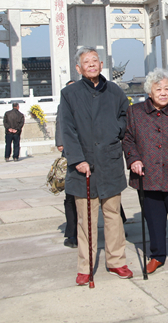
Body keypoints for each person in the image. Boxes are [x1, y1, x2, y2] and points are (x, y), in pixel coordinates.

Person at [60, 47, 132, 286]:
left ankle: (117, 261)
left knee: (113, 216)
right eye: (86, 62)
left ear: (101, 65)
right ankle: (85, 266)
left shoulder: (115, 91)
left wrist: (115, 130)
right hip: (84, 166)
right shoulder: (69, 94)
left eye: (95, 60)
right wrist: (77, 159)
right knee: (86, 220)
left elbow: (125, 117)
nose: (91, 64)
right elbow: (66, 129)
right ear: (78, 68)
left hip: (109, 162)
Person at [123, 69, 168, 275]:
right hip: (147, 175)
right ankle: (157, 255)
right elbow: (128, 139)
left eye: (167, 89)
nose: (163, 92)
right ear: (149, 91)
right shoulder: (135, 112)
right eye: (158, 88)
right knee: (154, 220)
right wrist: (134, 159)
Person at [56, 80, 77, 249]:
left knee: (105, 193)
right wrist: (60, 142)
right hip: (70, 153)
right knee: (70, 196)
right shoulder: (63, 105)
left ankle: (117, 226)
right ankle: (72, 233)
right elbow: (60, 124)